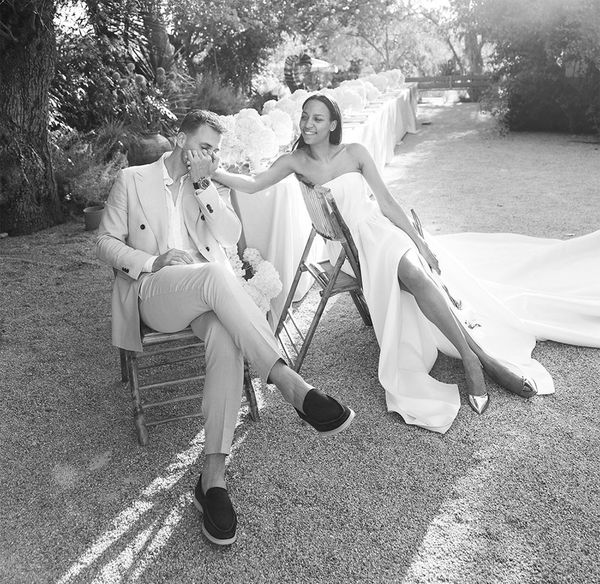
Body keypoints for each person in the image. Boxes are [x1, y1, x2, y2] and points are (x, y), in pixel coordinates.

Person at [211, 94, 558, 433]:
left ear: (333, 124)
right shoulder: (296, 161)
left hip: (380, 231)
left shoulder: (355, 152)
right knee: (415, 279)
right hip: (351, 249)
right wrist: (215, 171)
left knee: (415, 273)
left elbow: (387, 203)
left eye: (317, 118)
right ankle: (481, 357)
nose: (308, 124)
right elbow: (254, 185)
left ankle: (473, 359)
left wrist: (420, 243)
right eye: (304, 116)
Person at [96, 109, 355, 547]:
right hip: (154, 291)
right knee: (217, 277)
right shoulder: (133, 179)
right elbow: (105, 241)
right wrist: (151, 262)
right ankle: (289, 383)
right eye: (203, 148)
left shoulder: (207, 184)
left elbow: (232, 233)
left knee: (223, 334)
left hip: (205, 295)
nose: (209, 157)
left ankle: (212, 479)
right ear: (179, 140)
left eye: (214, 151)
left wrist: (202, 185)